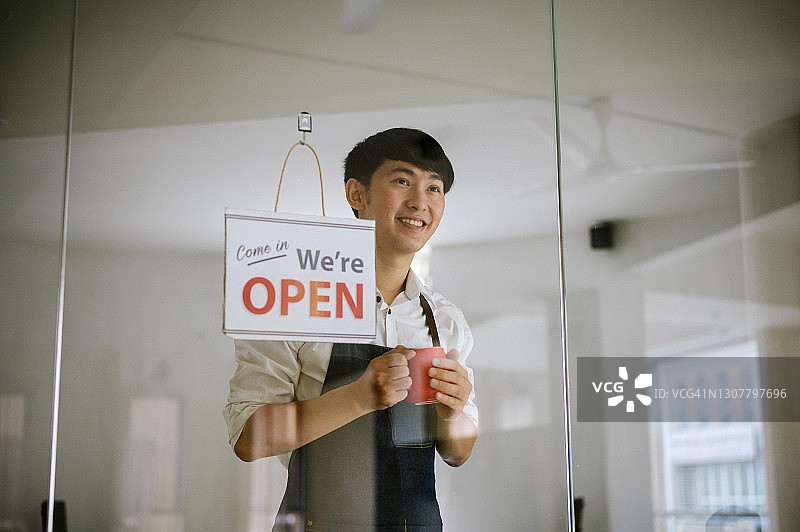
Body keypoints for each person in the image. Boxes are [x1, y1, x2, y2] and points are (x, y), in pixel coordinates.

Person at [223, 128, 478, 532]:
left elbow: (458, 452)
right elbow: (249, 439)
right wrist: (359, 397)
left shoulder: (445, 320)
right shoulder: (293, 299)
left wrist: (453, 413)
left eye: (434, 188)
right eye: (402, 181)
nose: (420, 202)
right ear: (357, 195)